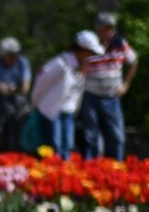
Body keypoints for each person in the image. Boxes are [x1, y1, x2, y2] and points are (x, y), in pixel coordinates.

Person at [30, 30, 104, 159]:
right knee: (55, 146)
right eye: (89, 52)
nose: (91, 55)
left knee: (68, 146)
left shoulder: (82, 66)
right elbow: (41, 83)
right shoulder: (60, 63)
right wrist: (34, 102)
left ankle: (64, 172)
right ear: (81, 49)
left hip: (69, 110)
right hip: (52, 110)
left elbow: (77, 90)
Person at [79, 11, 138, 160]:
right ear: (97, 28)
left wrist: (126, 84)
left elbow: (133, 61)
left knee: (116, 135)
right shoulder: (88, 45)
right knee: (91, 135)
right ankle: (91, 165)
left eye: (111, 27)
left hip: (112, 97)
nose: (110, 30)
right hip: (91, 95)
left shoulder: (119, 43)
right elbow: (80, 68)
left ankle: (116, 166)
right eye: (106, 27)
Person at [0, 37, 31, 152]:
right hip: (0, 100)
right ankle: (7, 148)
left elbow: (25, 88)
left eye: (15, 55)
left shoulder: (22, 62)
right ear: (2, 54)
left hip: (19, 101)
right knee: (7, 112)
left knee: (20, 114)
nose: (14, 58)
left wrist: (8, 88)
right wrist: (9, 89)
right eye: (10, 55)